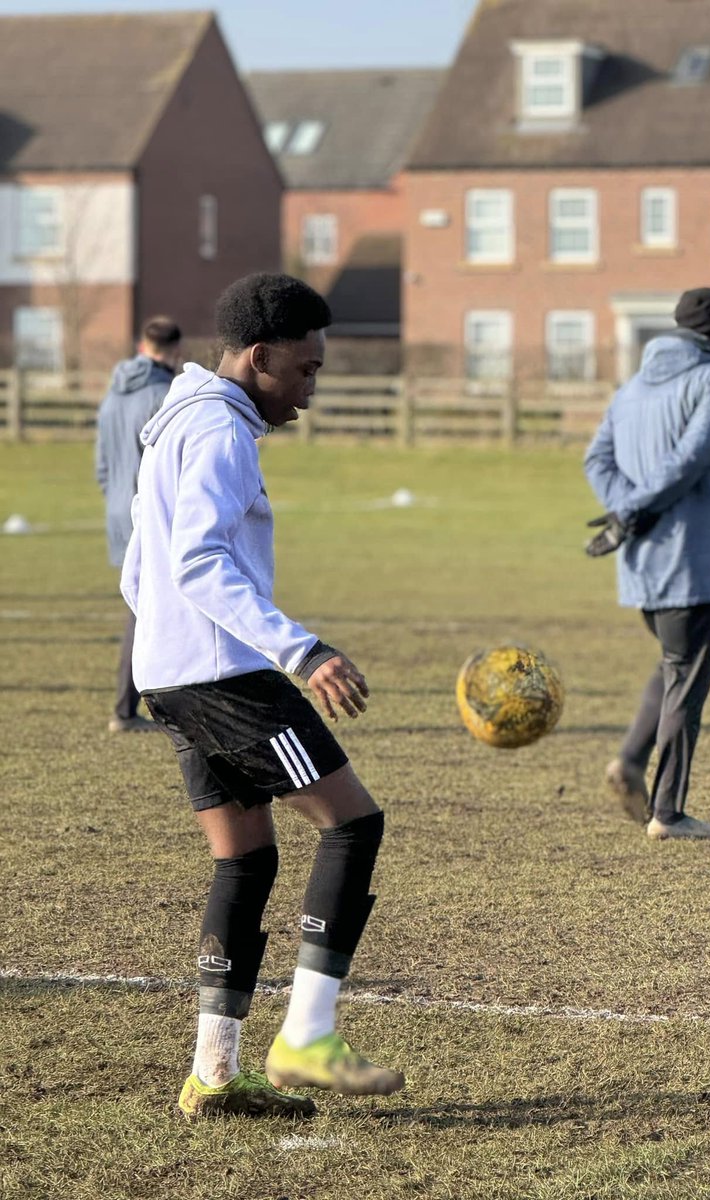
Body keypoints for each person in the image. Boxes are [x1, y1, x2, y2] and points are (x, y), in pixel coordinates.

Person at [120, 272, 404, 1120]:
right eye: (306, 370)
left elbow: (141, 568)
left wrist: (164, 646)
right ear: (258, 356)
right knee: (351, 823)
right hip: (224, 676)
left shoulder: (178, 417)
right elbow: (198, 561)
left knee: (245, 858)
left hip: (170, 675)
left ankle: (213, 1074)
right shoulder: (220, 431)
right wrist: (301, 650)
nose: (311, 388)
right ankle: (306, 1037)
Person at [583, 287, 710, 841]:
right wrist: (631, 510)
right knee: (686, 684)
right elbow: (689, 460)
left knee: (675, 663)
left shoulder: (630, 390)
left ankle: (631, 761)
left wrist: (625, 512)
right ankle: (669, 814)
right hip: (692, 561)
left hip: (642, 563)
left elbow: (597, 459)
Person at [96, 315, 182, 733]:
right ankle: (127, 711)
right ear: (176, 350)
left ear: (142, 346)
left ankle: (133, 708)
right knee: (148, 611)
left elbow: (102, 464)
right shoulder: (165, 395)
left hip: (118, 509)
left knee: (143, 605)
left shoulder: (112, 394)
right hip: (149, 514)